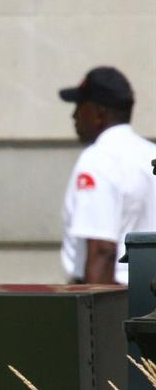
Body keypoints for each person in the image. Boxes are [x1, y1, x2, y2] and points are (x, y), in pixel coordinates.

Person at [59, 66, 156, 284]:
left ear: (99, 113)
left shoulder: (98, 159)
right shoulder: (150, 154)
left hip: (114, 300)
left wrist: (96, 316)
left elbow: (102, 249)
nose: (74, 115)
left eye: (80, 105)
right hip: (148, 297)